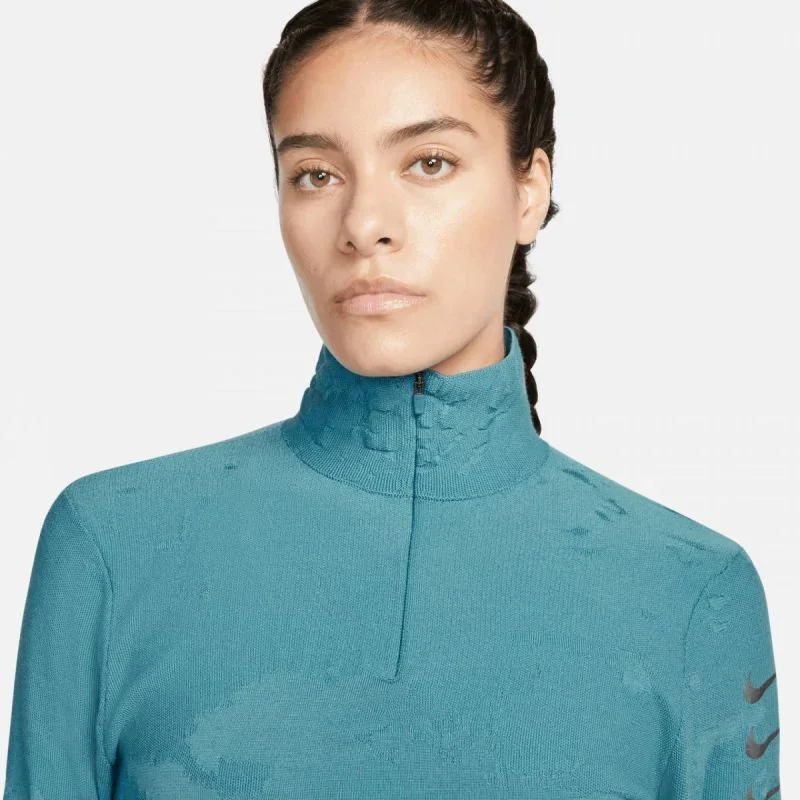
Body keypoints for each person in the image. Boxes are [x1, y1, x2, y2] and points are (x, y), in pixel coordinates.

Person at [3, 1, 781, 798]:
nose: (364, 224)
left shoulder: (693, 594)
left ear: (529, 191)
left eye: (429, 163)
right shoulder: (112, 547)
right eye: (316, 174)